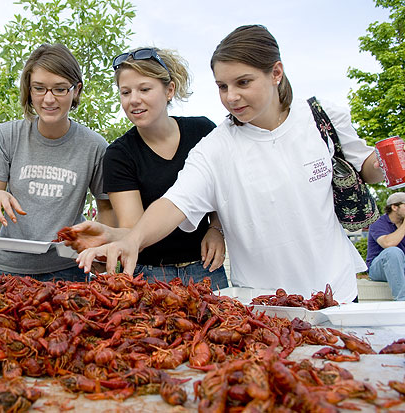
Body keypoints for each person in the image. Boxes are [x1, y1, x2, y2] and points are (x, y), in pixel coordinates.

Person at [73, 25, 385, 303]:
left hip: (338, 291)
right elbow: (174, 202)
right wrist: (131, 240)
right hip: (263, 303)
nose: (231, 96)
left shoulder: (322, 117)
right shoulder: (214, 146)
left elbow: (368, 168)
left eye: (243, 82)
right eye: (222, 86)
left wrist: (385, 160)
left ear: (276, 73)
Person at [0, 43, 115, 282]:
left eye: (60, 89)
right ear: (28, 91)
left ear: (76, 91)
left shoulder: (95, 146)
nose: (48, 99)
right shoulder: (7, 135)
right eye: (39, 89)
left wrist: (100, 253)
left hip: (69, 269)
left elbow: (107, 209)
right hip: (9, 268)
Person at [103, 47, 227, 288]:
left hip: (205, 268)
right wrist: (105, 235)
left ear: (169, 90)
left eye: (144, 89)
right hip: (150, 275)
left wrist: (216, 229)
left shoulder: (202, 131)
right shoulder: (118, 155)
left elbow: (218, 192)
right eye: (125, 92)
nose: (133, 100)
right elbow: (133, 229)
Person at [365, 192, 405, 300]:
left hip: (401, 266)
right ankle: (402, 301)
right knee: (393, 252)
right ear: (394, 207)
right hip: (378, 268)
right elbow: (388, 244)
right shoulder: (378, 223)